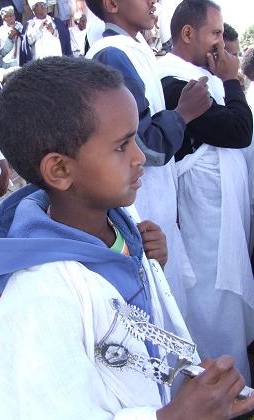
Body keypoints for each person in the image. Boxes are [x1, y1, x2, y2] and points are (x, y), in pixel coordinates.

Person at [0, 55, 254, 420]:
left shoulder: (118, 224)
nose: (140, 157)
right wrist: (174, 417)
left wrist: (147, 263)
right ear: (60, 169)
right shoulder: (37, 298)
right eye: (122, 145)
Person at [85, 0, 212, 321]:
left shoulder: (131, 51)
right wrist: (184, 113)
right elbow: (145, 146)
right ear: (112, 4)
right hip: (142, 216)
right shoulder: (112, 54)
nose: (153, 1)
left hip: (156, 215)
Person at [158, 0, 254, 384]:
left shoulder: (197, 75)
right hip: (202, 217)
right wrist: (233, 81)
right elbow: (236, 130)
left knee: (226, 297)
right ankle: (218, 385)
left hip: (219, 212)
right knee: (211, 298)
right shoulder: (172, 79)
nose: (221, 45)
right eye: (215, 33)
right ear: (188, 33)